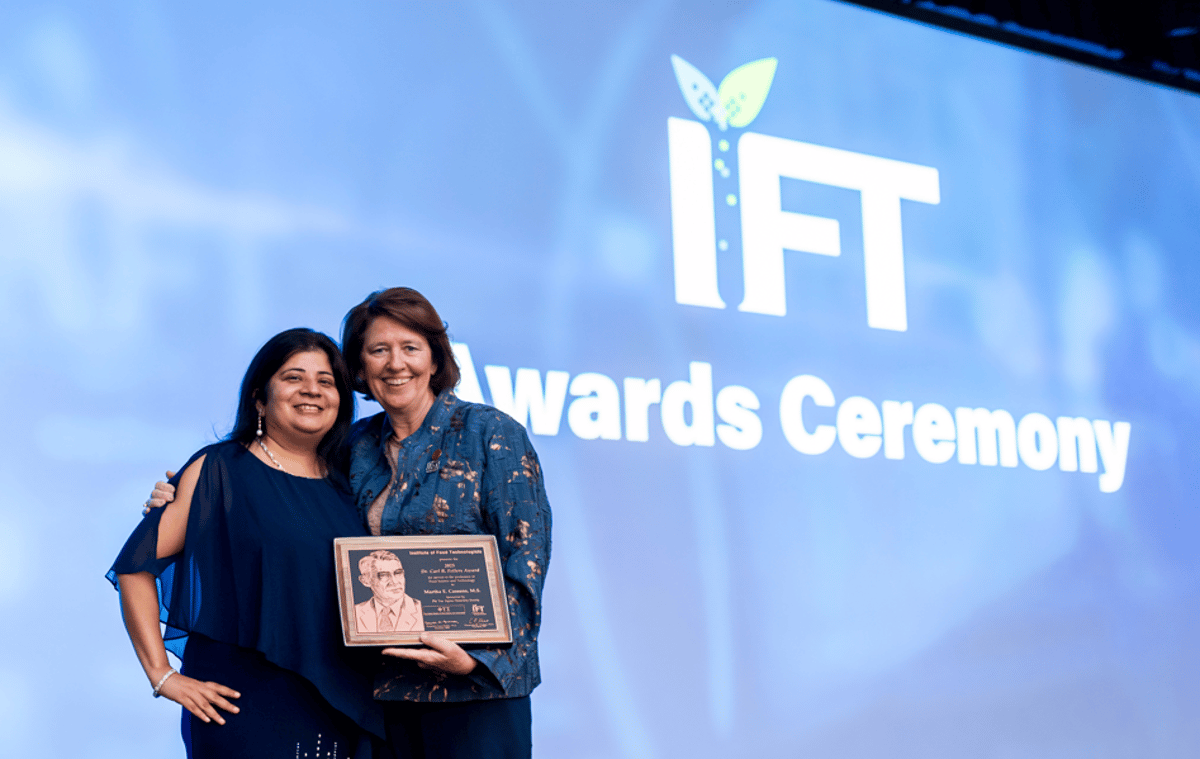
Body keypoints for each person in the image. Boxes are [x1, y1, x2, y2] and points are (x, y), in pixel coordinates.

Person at [149, 288, 552, 759]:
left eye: (410, 348)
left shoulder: (490, 432)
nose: (395, 363)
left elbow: (527, 558)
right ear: (359, 369)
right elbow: (284, 502)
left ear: (436, 359)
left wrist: (475, 661)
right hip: (377, 697)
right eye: (378, 350)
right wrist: (185, 498)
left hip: (473, 694)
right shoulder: (350, 447)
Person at [110, 329, 385, 759]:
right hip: (242, 706)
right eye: (294, 377)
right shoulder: (220, 470)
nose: (312, 389)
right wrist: (161, 675)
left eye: (327, 381)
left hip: (342, 705)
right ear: (260, 398)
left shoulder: (351, 484)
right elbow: (134, 569)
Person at [356, 550, 425, 633]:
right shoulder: (355, 613)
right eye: (384, 575)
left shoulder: (423, 610)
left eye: (398, 573)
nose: (395, 581)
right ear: (365, 581)